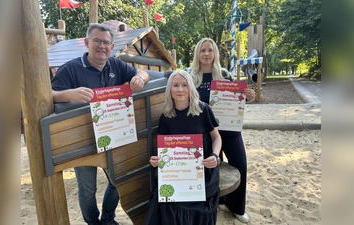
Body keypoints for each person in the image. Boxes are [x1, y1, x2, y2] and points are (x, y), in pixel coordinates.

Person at [51, 23, 149, 225]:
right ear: (87, 42)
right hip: (82, 140)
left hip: (113, 134)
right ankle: (93, 222)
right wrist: (70, 94)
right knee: (87, 188)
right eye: (97, 41)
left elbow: (143, 73)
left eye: (106, 42)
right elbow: (49, 94)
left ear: (112, 47)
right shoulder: (70, 68)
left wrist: (140, 78)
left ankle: (107, 218)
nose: (102, 46)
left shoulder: (116, 65)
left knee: (118, 179)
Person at [190, 38, 256, 223]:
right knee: (212, 167)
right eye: (203, 50)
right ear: (198, 53)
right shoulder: (192, 76)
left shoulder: (224, 74)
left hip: (230, 130)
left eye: (210, 50)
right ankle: (216, 200)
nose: (206, 54)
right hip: (207, 132)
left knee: (240, 165)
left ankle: (236, 207)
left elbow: (236, 98)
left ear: (215, 53)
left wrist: (246, 96)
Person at [144, 70, 222, 225]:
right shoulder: (166, 117)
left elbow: (217, 137)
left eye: (184, 85)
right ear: (170, 90)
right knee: (164, 199)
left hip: (203, 167)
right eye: (176, 85)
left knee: (197, 201)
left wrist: (215, 155)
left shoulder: (203, 109)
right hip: (178, 169)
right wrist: (157, 161)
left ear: (190, 88)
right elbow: (164, 151)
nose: (180, 89)